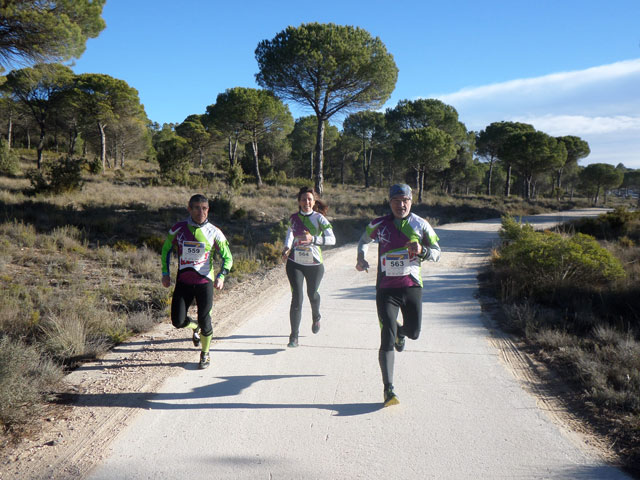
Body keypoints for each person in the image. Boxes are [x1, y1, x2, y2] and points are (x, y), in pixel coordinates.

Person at [355, 184, 441, 407]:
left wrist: (423, 251)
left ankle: (400, 334)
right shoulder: (379, 224)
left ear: (411, 201)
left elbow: (438, 253)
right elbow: (363, 240)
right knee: (386, 334)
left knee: (414, 332)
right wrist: (361, 258)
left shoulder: (421, 224)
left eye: (405, 200)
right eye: (396, 200)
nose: (401, 205)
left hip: (412, 286)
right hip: (385, 289)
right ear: (389, 202)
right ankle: (388, 389)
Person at [161, 194, 233, 369]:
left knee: (205, 319)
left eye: (204, 208)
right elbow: (166, 250)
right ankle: (195, 327)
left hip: (204, 282)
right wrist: (165, 272)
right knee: (177, 321)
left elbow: (228, 258)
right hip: (183, 281)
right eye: (196, 208)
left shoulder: (214, 232)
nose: (201, 211)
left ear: (208, 210)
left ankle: (205, 353)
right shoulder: (178, 228)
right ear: (189, 209)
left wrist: (222, 276)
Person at [281, 186, 336, 347]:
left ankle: (316, 315)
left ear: (314, 202)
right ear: (299, 201)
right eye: (304, 199)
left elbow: (332, 240)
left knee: (312, 294)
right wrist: (286, 248)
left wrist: (313, 239)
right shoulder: (293, 218)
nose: (307, 202)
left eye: (310, 199)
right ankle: (294, 337)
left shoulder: (320, 219)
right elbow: (290, 235)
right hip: (295, 263)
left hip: (314, 264)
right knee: (297, 298)